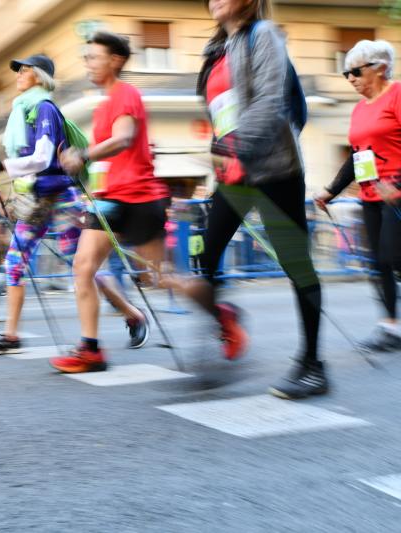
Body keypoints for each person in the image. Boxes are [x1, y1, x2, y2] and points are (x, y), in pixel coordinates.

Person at [166, 0, 324, 399]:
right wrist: (222, 151)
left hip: (274, 168)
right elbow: (222, 112)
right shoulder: (216, 50)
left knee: (296, 265)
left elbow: (270, 103)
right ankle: (223, 330)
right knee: (206, 256)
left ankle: (313, 365)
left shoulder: (263, 35)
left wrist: (238, 148)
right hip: (233, 174)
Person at [52, 32, 170, 372]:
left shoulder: (125, 94)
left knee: (161, 278)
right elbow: (109, 156)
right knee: (83, 267)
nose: (87, 62)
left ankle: (217, 313)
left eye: (93, 56)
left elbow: (124, 139)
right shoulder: (104, 104)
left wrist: (82, 155)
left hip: (136, 197)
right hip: (107, 199)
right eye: (85, 57)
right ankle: (91, 349)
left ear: (114, 61)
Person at [0, 53, 84, 355]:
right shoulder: (23, 111)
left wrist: (0, 166)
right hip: (36, 200)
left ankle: (131, 313)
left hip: (61, 196)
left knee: (82, 265)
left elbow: (42, 159)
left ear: (38, 76)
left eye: (24, 71)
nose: (18, 76)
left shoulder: (44, 109)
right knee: (13, 263)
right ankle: (11, 336)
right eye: (19, 71)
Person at [316, 39, 401, 352]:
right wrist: (330, 191)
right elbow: (357, 157)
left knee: (393, 257)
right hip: (370, 195)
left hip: (397, 194)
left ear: (379, 68)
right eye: (345, 73)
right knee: (379, 262)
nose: (350, 78)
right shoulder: (359, 110)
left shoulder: (397, 95)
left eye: (355, 71)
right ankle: (390, 327)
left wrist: (399, 185)